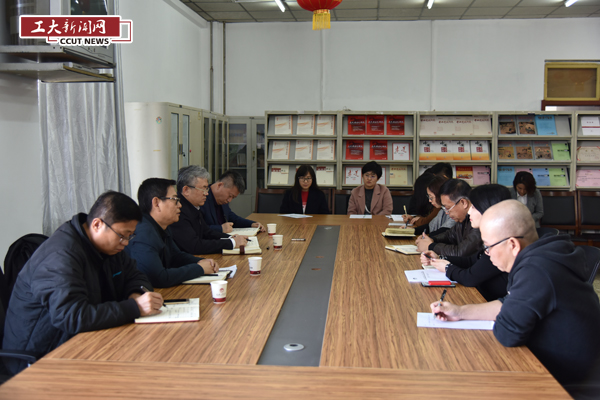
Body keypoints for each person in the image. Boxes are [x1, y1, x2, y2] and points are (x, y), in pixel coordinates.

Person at [430, 200, 600, 395]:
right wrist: (460, 312)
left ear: (512, 244)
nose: (487, 254)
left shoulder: (537, 271)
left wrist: (507, 314)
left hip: (566, 383)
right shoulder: (546, 254)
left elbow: (507, 333)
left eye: (488, 246)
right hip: (564, 367)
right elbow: (508, 303)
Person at [3, 191, 163, 374]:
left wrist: (135, 293)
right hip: (39, 359)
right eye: (122, 235)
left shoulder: (110, 247)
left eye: (130, 236)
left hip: (84, 342)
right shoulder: (61, 256)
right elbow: (72, 317)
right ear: (97, 224)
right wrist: (135, 307)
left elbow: (135, 275)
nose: (125, 243)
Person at [421, 184, 511, 301]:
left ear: (488, 210)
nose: (469, 212)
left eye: (474, 207)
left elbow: (470, 278)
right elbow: (472, 260)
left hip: (488, 302)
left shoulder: (501, 241)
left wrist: (447, 268)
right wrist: (439, 258)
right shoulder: (489, 234)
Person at [125, 178, 219, 288]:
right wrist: (199, 268)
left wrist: (202, 261)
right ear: (156, 203)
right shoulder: (143, 232)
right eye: (175, 200)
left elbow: (175, 256)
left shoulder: (162, 226)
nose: (180, 205)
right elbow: (159, 278)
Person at [171, 166, 248, 255]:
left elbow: (207, 232)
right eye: (203, 189)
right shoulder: (178, 211)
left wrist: (230, 238)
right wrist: (232, 243)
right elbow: (195, 246)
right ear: (186, 190)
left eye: (207, 188)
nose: (207, 193)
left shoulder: (193, 207)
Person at [415, 179, 481, 257]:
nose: (446, 212)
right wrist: (431, 239)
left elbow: (460, 252)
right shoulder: (462, 219)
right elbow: (450, 235)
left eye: (448, 208)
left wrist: (431, 246)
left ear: (463, 203)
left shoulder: (477, 221)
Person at [201, 170, 265, 234]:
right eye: (230, 196)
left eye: (233, 197)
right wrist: (220, 229)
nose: (229, 200)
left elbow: (232, 218)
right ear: (219, 185)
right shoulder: (202, 198)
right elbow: (199, 228)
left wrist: (252, 224)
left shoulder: (222, 200)